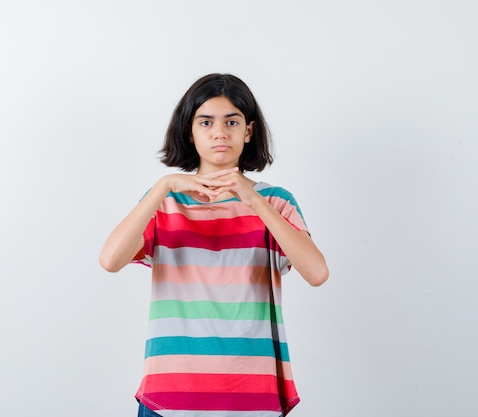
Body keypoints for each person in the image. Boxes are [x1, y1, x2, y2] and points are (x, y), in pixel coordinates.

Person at [99, 73, 328, 417]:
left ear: (248, 131)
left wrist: (254, 200)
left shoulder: (275, 202)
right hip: (170, 398)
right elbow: (110, 260)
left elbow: (317, 273)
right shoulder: (165, 202)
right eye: (206, 122)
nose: (219, 132)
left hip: (252, 397)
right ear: (189, 131)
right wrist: (163, 187)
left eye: (231, 121)